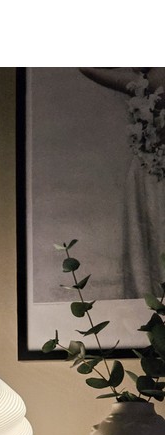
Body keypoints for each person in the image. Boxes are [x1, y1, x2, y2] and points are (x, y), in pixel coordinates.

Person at [79, 68, 165, 298]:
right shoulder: (143, 79)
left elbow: (88, 68)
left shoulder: (151, 78)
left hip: (152, 173)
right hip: (147, 171)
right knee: (148, 235)